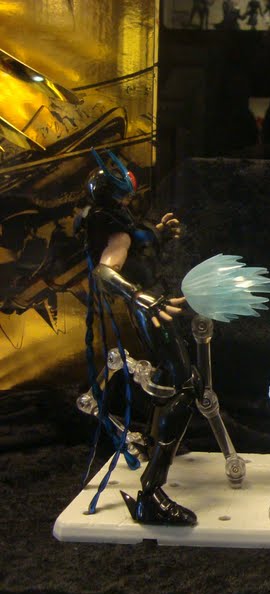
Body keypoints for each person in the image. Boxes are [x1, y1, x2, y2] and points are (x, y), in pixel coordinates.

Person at [79, 149, 199, 525]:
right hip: (152, 308)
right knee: (184, 388)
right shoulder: (114, 226)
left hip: (158, 303)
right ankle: (150, 494)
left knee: (172, 380)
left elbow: (138, 248)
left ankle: (153, 443)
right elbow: (105, 271)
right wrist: (137, 296)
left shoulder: (123, 218)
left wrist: (159, 232)